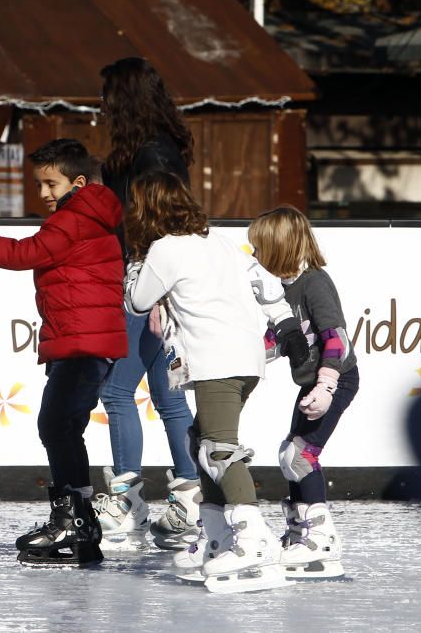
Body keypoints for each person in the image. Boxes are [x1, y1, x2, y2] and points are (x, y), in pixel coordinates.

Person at [124, 171, 307, 593]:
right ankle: (217, 536)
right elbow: (264, 281)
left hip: (216, 361)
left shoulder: (163, 249)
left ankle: (252, 539)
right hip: (245, 360)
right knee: (200, 442)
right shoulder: (219, 241)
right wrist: (286, 327)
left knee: (219, 449)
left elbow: (136, 301)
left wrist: (136, 260)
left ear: (147, 209)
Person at [0, 140, 125, 566]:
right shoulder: (88, 215)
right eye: (40, 184)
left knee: (55, 425)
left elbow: (25, 254)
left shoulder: (74, 218)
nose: (45, 193)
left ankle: (74, 519)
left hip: (82, 343)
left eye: (51, 183)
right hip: (84, 341)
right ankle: (81, 520)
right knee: (65, 427)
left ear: (78, 182)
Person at [94, 57, 200, 551]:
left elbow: (165, 221)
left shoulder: (151, 156)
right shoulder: (151, 150)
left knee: (118, 393)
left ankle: (128, 499)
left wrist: (156, 294)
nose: (101, 108)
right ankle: (189, 497)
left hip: (145, 287)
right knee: (169, 397)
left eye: (107, 98)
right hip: (149, 283)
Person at [248, 205, 358, 579]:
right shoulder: (282, 288)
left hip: (337, 378)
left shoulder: (314, 282)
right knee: (289, 454)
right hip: (314, 381)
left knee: (301, 456)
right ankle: (300, 531)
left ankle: (320, 539)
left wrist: (327, 383)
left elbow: (336, 338)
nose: (255, 257)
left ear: (279, 246)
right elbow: (277, 341)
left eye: (259, 248)